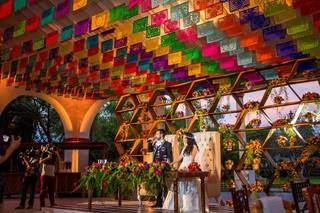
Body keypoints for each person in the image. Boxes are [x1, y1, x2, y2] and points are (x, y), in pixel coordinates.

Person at [163, 132, 209, 212]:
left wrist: (188, 168)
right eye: (183, 138)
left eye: (185, 138)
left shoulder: (194, 147)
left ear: (189, 139)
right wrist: (171, 163)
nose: (183, 139)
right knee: (180, 185)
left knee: (190, 186)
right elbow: (180, 157)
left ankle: (190, 206)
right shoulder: (185, 147)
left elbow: (192, 159)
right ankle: (179, 205)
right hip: (183, 165)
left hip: (189, 167)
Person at [147, 129, 173, 208]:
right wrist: (150, 142)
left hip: (164, 166)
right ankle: (158, 202)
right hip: (156, 166)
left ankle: (165, 202)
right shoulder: (155, 143)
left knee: (164, 184)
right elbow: (149, 150)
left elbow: (170, 156)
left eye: (157, 134)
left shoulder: (168, 144)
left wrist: (169, 165)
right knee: (157, 184)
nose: (155, 135)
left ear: (161, 135)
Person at [39, 143, 61, 208]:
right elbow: (40, 162)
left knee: (51, 190)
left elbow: (60, 160)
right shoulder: (44, 153)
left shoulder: (54, 154)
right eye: (50, 146)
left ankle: (52, 203)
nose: (52, 148)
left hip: (51, 174)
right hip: (44, 174)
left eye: (52, 147)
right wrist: (48, 158)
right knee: (43, 190)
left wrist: (56, 152)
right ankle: (42, 205)